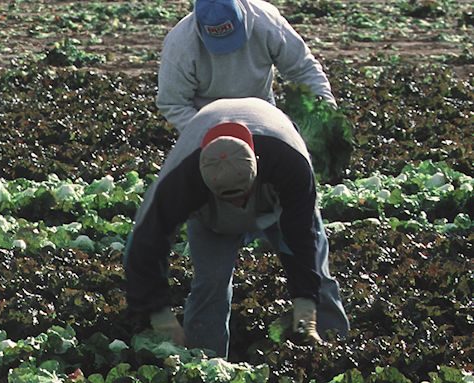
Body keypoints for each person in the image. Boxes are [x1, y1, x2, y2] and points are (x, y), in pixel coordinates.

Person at [123, 97, 349, 357]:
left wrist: (306, 309)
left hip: (277, 203)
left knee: (318, 277)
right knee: (211, 282)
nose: (238, 204)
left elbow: (301, 236)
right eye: (228, 198)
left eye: (242, 195)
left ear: (257, 163)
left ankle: (331, 353)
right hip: (211, 217)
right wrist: (160, 315)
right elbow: (145, 244)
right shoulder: (181, 180)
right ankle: (205, 362)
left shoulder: (290, 163)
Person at [156, 0, 336, 133]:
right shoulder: (180, 45)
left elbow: (303, 69)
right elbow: (173, 103)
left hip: (262, 112)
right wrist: (207, 133)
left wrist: (325, 113)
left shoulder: (266, 22)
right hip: (206, 118)